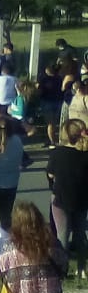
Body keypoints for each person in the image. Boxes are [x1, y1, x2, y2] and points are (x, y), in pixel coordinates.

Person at [46, 119, 88, 279]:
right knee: (80, 235)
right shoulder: (85, 154)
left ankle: (62, 270)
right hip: (81, 198)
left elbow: (50, 174)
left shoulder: (57, 153)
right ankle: (82, 268)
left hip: (61, 198)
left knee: (62, 235)